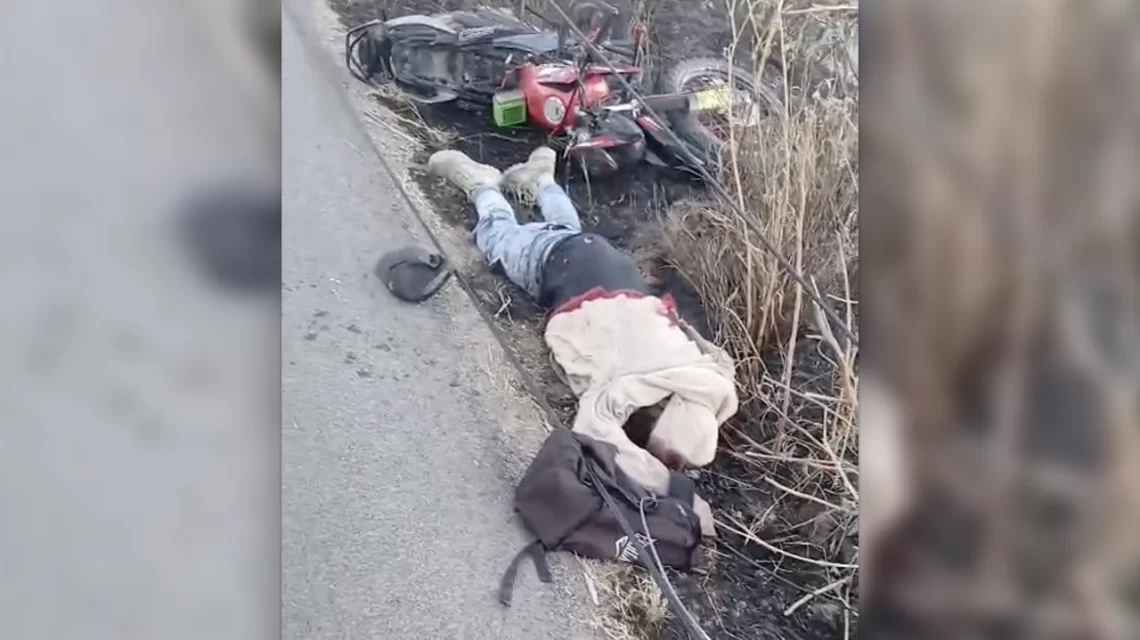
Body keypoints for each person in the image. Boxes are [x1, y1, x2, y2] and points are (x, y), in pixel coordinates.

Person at [429, 147, 740, 535]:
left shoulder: (707, 379)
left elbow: (719, 359)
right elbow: (597, 433)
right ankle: (482, 185)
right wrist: (672, 488)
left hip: (610, 265)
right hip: (555, 265)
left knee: (569, 232)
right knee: (497, 238)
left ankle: (543, 182)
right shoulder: (618, 391)